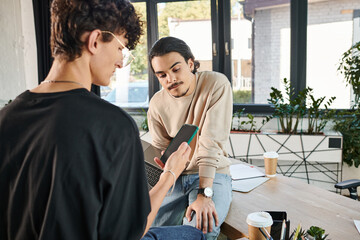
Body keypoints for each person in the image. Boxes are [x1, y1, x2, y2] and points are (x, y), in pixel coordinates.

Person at [0, 1, 205, 239]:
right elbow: (131, 231)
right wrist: (170, 174)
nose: (120, 62)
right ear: (95, 40)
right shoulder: (113, 126)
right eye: (121, 48)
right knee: (196, 235)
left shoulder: (6, 118)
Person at [147, 36, 233, 239]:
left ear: (190, 63)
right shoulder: (157, 103)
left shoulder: (216, 84)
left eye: (176, 69)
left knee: (202, 228)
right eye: (162, 75)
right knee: (146, 229)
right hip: (175, 178)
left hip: (212, 175)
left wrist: (204, 194)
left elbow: (210, 144)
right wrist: (164, 165)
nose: (170, 79)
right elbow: (161, 149)